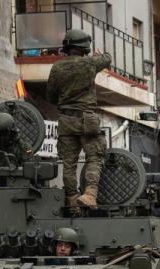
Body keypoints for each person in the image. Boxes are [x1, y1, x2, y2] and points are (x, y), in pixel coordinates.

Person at [46, 29, 111, 209]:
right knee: (94, 157)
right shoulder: (89, 63)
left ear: (66, 47)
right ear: (85, 47)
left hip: (66, 121)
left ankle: (73, 200)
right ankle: (90, 194)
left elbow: (50, 97)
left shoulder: (57, 67)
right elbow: (107, 58)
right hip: (86, 120)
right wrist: (100, 54)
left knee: (68, 164)